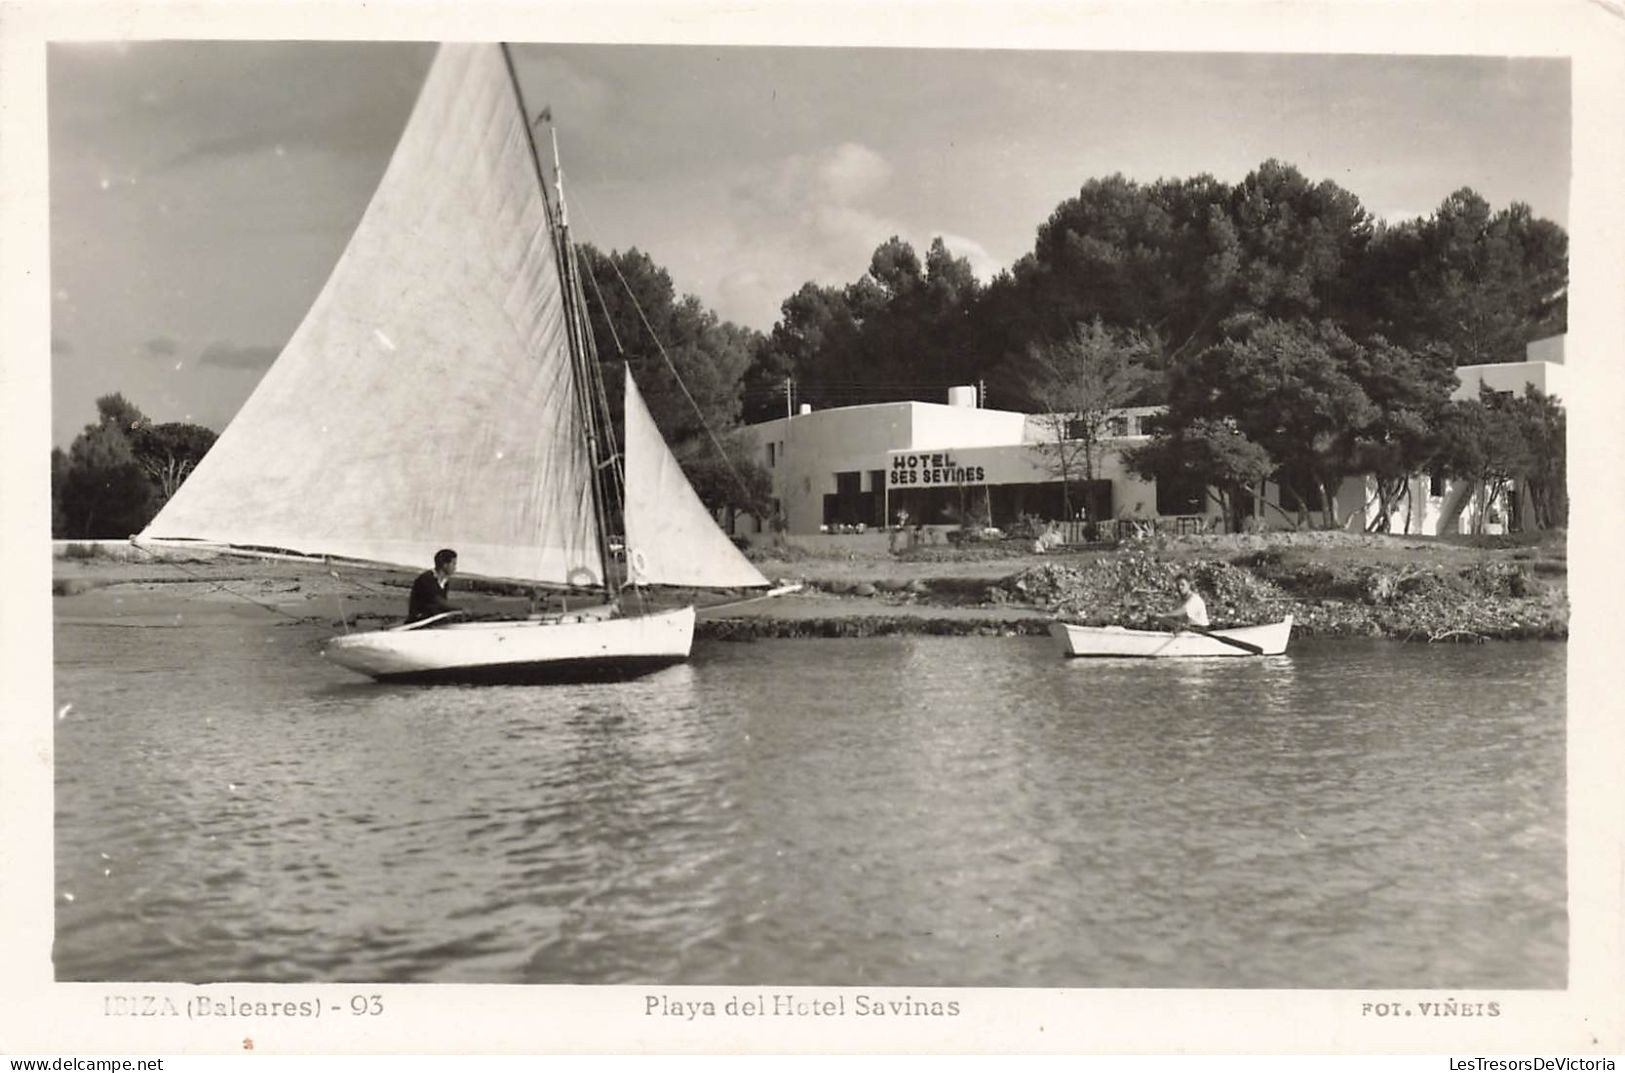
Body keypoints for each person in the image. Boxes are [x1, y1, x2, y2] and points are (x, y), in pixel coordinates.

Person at [407, 548, 461, 623]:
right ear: (445, 565)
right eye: (453, 564)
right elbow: (439, 602)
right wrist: (460, 609)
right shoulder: (427, 579)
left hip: (432, 619)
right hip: (419, 621)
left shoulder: (444, 582)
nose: (455, 568)